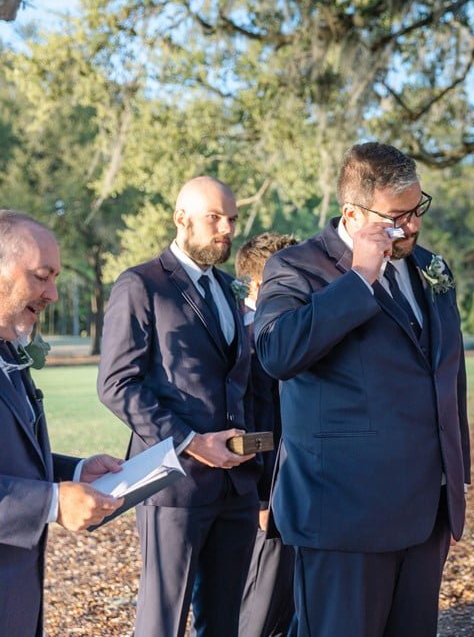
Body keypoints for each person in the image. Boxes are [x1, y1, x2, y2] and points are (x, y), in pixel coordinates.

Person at [255, 142, 471, 637]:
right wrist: (360, 279)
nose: (413, 225)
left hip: (425, 511)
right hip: (342, 515)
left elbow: (448, 374)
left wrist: (456, 475)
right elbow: (276, 354)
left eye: (418, 209)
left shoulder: (431, 268)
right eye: (398, 216)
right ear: (352, 213)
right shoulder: (296, 268)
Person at [97, 177, 261, 637]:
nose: (226, 228)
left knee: (225, 623)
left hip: (237, 488)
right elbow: (115, 383)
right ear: (181, 218)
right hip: (174, 483)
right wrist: (191, 442)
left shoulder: (230, 289)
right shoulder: (142, 284)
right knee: (161, 623)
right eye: (214, 217)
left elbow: (244, 383)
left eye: (231, 218)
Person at [0, 210, 123, 637]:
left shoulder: (10, 351)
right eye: (41, 276)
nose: (52, 293)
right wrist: (51, 502)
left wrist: (72, 471)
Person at [235, 232, 298, 637]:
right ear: (259, 284)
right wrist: (261, 497)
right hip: (265, 491)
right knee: (260, 605)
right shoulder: (244, 338)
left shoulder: (291, 329)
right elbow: (253, 421)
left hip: (302, 484)